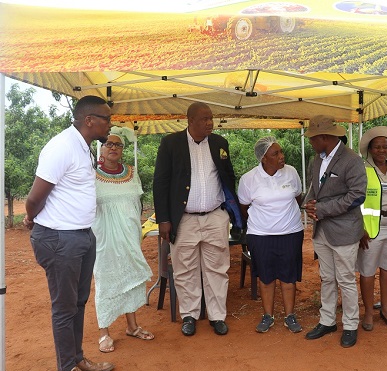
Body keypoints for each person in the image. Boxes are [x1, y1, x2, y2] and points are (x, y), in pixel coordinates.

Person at [24, 95, 115, 371]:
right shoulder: (61, 147)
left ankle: (76, 358)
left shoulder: (83, 147)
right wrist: (30, 218)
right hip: (60, 238)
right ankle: (65, 370)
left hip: (80, 235)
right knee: (64, 306)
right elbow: (35, 197)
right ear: (89, 120)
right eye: (106, 118)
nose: (110, 124)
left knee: (78, 302)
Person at [153, 102, 242, 337]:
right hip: (185, 219)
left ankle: (217, 316)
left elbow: (228, 176)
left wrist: (230, 209)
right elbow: (160, 183)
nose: (209, 123)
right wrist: (163, 218)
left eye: (211, 118)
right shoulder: (171, 144)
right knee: (185, 268)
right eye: (204, 119)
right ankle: (190, 315)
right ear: (190, 120)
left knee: (217, 268)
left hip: (215, 216)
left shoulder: (220, 143)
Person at [303, 114, 367, 348]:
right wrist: (309, 205)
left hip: (344, 231)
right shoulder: (317, 160)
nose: (310, 142)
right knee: (327, 278)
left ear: (324, 137)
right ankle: (327, 320)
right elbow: (315, 189)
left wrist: (322, 209)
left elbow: (357, 195)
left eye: (312, 138)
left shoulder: (352, 160)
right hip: (322, 230)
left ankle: (350, 325)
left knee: (346, 280)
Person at [92, 128, 154, 353]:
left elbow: (135, 205)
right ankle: (104, 332)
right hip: (104, 237)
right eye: (109, 144)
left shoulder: (131, 172)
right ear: (102, 147)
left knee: (130, 277)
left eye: (118, 145)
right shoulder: (92, 174)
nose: (113, 148)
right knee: (106, 279)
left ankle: (132, 326)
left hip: (129, 234)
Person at [238, 136, 304, 333]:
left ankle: (290, 316)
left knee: (288, 276)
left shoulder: (291, 172)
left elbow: (298, 197)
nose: (281, 156)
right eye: (275, 153)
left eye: (281, 152)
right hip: (260, 235)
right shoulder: (249, 179)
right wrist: (263, 224)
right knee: (266, 277)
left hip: (291, 232)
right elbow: (243, 208)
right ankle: (268, 315)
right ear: (263, 158)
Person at [357, 126, 387, 331]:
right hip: (370, 229)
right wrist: (359, 228)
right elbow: (354, 200)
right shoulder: (361, 169)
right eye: (376, 147)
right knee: (367, 271)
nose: (381, 150)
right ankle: (368, 311)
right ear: (370, 149)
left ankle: (385, 308)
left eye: (385, 147)